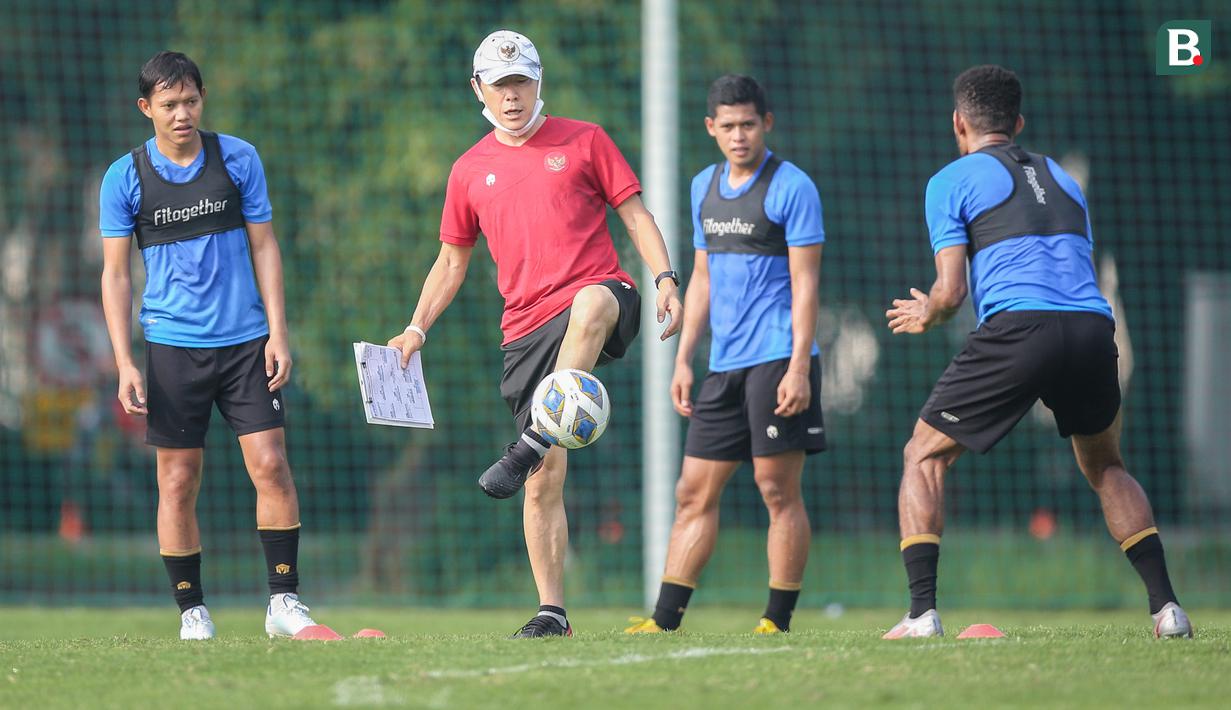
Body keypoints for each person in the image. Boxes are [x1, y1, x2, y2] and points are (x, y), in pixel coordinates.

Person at [385, 30, 682, 638]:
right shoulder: (468, 170)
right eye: (500, 86)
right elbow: (451, 262)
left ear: (537, 83)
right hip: (525, 330)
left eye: (521, 83)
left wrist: (666, 279)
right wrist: (416, 327)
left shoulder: (585, 140)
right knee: (545, 480)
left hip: (601, 295)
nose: (512, 97)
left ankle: (530, 443)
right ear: (480, 91)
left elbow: (635, 215)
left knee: (594, 301)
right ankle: (553, 613)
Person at [882, 65, 1191, 639]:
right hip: (1093, 328)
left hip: (1021, 329)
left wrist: (930, 313)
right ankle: (1167, 609)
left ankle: (921, 613)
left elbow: (951, 292)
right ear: (1018, 123)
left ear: (959, 123)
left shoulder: (951, 179)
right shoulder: (1064, 179)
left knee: (923, 454)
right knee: (1106, 466)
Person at [100, 51, 335, 641]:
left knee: (272, 465)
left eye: (191, 101)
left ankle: (284, 601)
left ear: (203, 99)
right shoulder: (124, 175)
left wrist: (279, 331)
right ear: (146, 108)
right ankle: (192, 612)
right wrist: (125, 360)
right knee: (177, 481)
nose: (182, 114)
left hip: (246, 346)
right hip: (172, 349)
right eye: (169, 104)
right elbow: (116, 275)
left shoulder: (237, 158)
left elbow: (265, 246)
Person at [626, 75, 826, 635]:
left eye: (749, 124)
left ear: (767, 123)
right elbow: (704, 277)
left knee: (776, 489)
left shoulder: (793, 188)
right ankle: (664, 622)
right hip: (724, 365)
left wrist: (799, 367)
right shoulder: (703, 188)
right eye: (728, 126)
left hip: (780, 358)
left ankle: (776, 620)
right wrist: (685, 356)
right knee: (692, 492)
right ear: (711, 128)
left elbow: (806, 283)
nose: (739, 136)